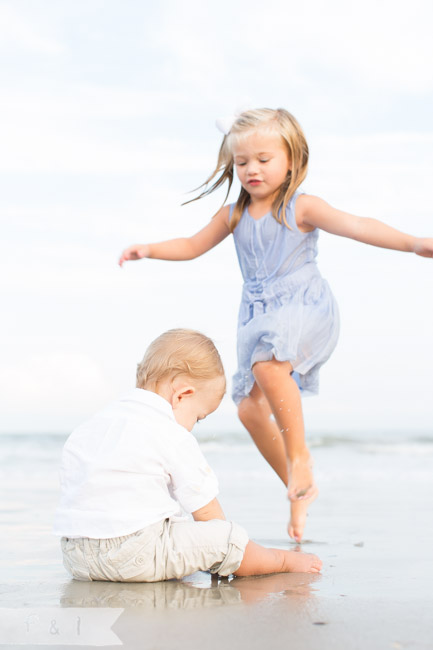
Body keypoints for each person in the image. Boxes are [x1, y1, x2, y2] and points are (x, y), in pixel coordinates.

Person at [118, 108, 433, 543]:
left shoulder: (300, 207)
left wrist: (415, 243)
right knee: (247, 407)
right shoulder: (233, 215)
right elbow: (192, 246)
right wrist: (149, 249)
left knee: (269, 367)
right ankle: (297, 486)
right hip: (258, 315)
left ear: (291, 160)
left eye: (263, 159)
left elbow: (359, 226)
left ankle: (300, 457)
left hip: (305, 306)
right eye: (242, 161)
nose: (251, 170)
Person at [53, 329, 322, 582]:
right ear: (183, 395)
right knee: (226, 536)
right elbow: (208, 514)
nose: (193, 425)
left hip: (77, 559)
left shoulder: (93, 426)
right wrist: (222, 549)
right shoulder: (169, 431)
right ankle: (282, 561)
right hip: (134, 555)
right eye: (198, 417)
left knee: (175, 531)